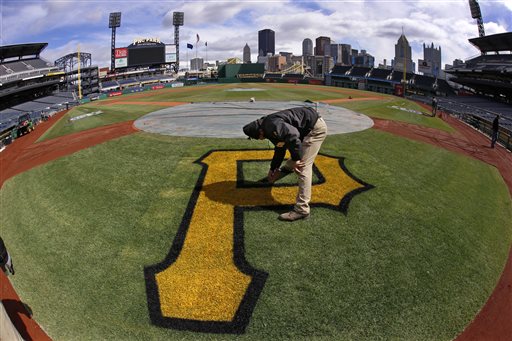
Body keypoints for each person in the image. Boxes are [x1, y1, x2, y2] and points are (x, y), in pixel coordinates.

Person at [243, 106, 327, 221]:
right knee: (294, 159)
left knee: (303, 167)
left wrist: (297, 159)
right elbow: (280, 148)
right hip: (309, 127)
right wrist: (273, 168)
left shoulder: (270, 125)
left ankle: (302, 210)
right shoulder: (267, 125)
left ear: (260, 132)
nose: (260, 139)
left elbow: (293, 135)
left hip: (314, 130)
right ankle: (278, 174)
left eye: (258, 137)